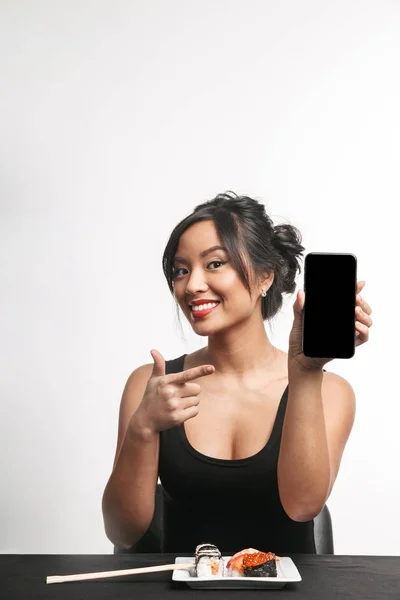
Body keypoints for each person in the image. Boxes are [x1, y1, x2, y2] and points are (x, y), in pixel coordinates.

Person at [102, 191, 373, 554]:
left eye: (214, 264)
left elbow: (303, 506)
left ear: (265, 276)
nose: (192, 285)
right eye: (181, 270)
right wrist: (142, 428)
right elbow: (122, 533)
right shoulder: (154, 384)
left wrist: (305, 371)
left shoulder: (331, 391)